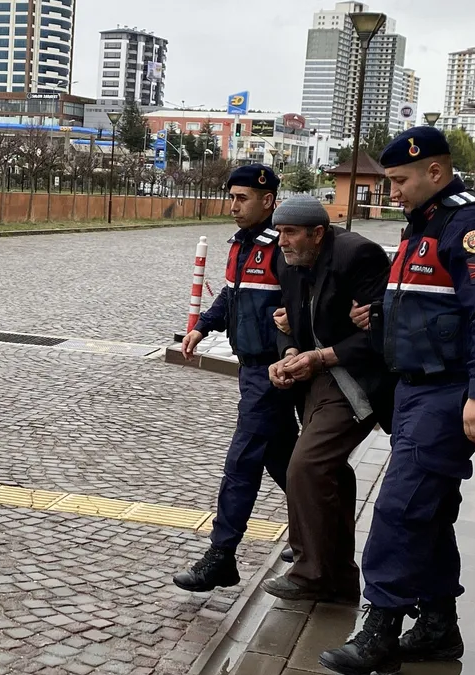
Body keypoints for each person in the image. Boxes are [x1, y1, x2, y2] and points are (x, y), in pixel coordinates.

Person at [319, 127, 475, 674]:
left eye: (400, 180)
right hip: (417, 388)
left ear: (435, 172)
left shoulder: (471, 224)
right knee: (428, 512)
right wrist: (379, 316)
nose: (393, 192)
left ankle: (381, 628)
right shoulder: (425, 225)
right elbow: (434, 304)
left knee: (401, 506)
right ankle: (436, 627)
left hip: (451, 389)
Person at [259, 195, 395, 604]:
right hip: (315, 379)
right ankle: (338, 577)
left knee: (306, 465)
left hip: (356, 379)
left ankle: (311, 571)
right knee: (330, 471)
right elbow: (285, 318)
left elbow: (378, 332)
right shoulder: (286, 258)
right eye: (280, 232)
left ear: (318, 233)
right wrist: (286, 355)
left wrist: (319, 357)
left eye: (291, 233)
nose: (282, 241)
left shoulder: (360, 256)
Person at [174, 164, 299, 593]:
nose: (233, 205)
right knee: (283, 458)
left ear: (268, 201)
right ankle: (313, 534)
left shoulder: (281, 245)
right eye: (231, 197)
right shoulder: (240, 245)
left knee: (243, 460)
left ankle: (221, 555)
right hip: (251, 367)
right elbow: (231, 292)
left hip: (274, 371)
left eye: (242, 198)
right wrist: (203, 326)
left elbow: (304, 300)